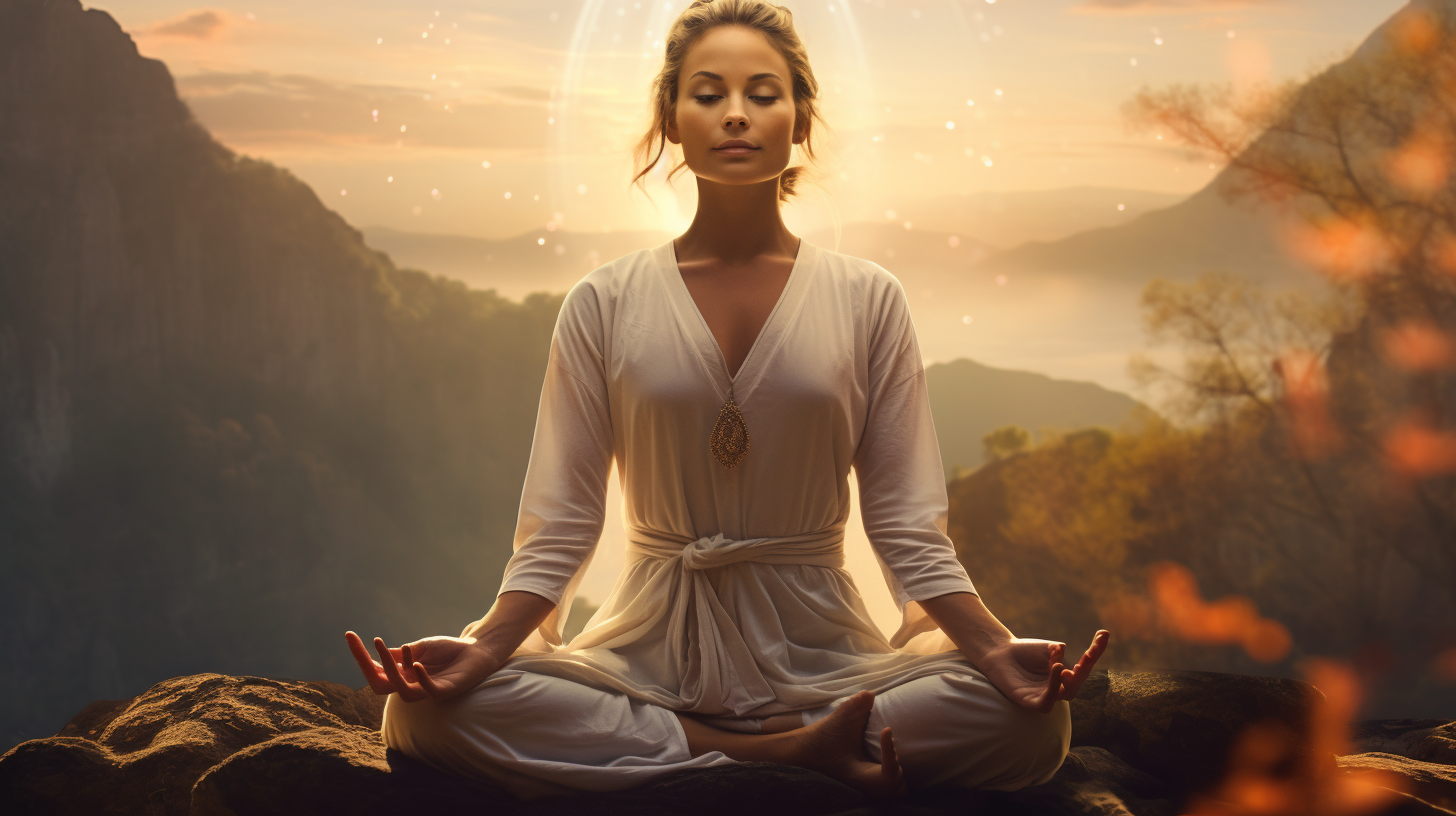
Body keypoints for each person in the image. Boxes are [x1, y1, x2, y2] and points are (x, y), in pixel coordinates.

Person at [345, 0, 1108, 802]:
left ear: (801, 117)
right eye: (708, 94)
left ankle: (728, 750)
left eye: (763, 93)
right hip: (647, 649)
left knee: (1024, 723)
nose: (736, 115)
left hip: (823, 650)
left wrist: (992, 651)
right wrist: (489, 648)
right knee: (424, 716)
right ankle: (790, 756)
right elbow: (564, 519)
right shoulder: (603, 301)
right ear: (671, 118)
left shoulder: (868, 297)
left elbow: (905, 523)